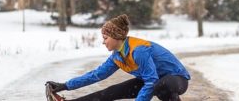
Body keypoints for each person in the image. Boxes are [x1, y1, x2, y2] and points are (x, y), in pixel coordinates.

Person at [46, 14, 190, 101]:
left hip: (176, 79)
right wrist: (65, 86)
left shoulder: (139, 50)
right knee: (109, 93)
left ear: (116, 36)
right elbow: (95, 75)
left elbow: (151, 80)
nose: (103, 41)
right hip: (154, 82)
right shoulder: (117, 56)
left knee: (161, 85)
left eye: (105, 37)